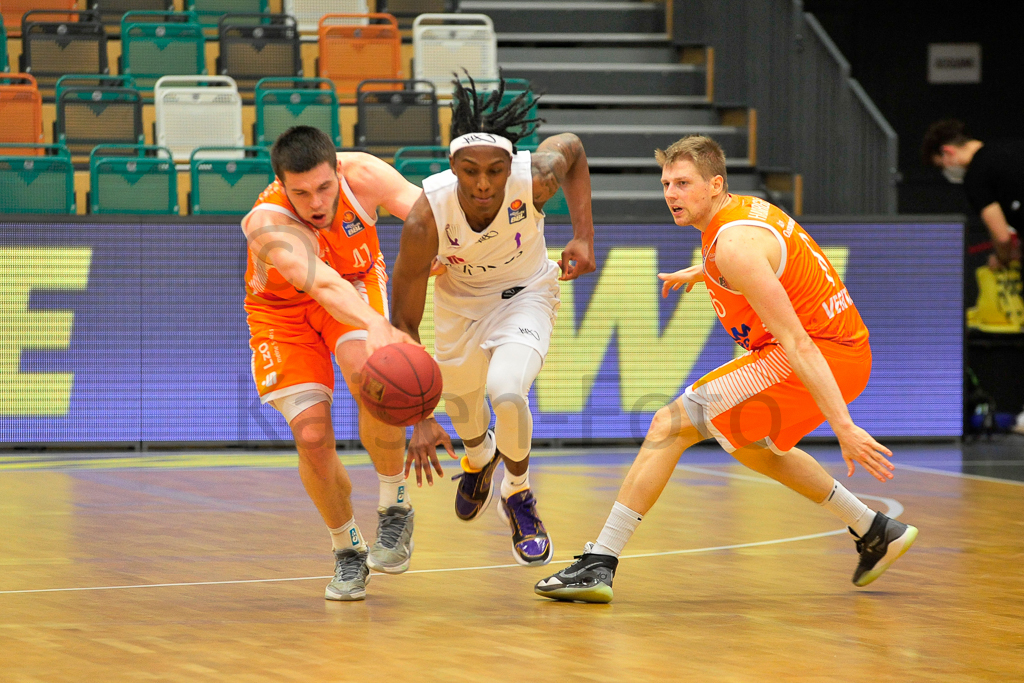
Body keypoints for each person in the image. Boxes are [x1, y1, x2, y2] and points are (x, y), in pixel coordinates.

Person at [535, 135, 918, 603]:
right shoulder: (739, 218)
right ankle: (874, 529)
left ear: (715, 184)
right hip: (841, 349)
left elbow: (797, 341)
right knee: (748, 447)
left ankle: (600, 562)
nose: (671, 194)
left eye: (683, 183)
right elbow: (764, 263)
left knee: (669, 424)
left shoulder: (734, 246)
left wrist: (845, 427)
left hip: (819, 353)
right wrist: (701, 272)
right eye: (666, 184)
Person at [390, 76, 596, 566]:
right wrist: (419, 417)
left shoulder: (538, 177)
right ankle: (479, 460)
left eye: (495, 171)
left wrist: (584, 235)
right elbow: (403, 321)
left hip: (526, 294)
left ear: (511, 167)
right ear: (453, 168)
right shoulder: (426, 219)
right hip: (459, 306)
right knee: (466, 414)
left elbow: (575, 149)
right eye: (470, 171)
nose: (483, 183)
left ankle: (518, 494)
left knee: (507, 390)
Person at [242, 126, 423, 601]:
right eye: (300, 193)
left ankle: (394, 506)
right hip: (282, 313)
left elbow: (428, 216)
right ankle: (347, 549)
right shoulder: (266, 222)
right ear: (282, 185)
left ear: (338, 171)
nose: (316, 202)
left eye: (324, 187)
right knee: (311, 435)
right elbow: (320, 286)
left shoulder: (364, 174)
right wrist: (377, 323)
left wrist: (446, 256)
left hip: (357, 281)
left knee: (370, 375)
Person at [922, 119, 1022, 270]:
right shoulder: (1014, 148)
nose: (946, 171)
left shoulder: (976, 177)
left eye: (942, 166)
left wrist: (1002, 258)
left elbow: (1002, 237)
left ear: (947, 151)